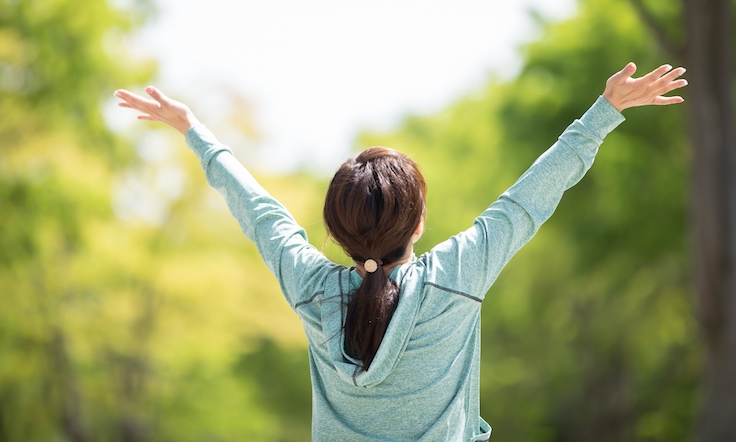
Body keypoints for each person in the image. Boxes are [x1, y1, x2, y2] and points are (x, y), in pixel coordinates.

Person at [115, 62, 686, 441]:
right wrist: (605, 111)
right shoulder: (454, 278)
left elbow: (260, 213)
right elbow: (528, 200)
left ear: (336, 231)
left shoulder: (313, 289)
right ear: (419, 224)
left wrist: (194, 131)